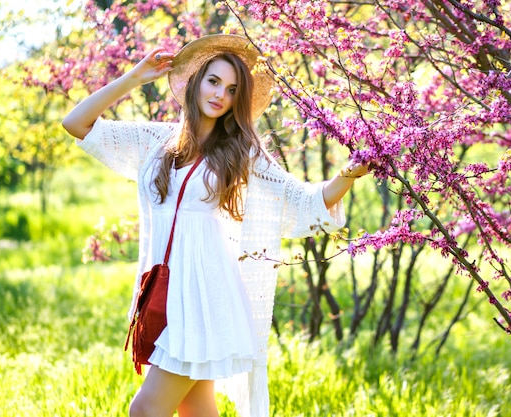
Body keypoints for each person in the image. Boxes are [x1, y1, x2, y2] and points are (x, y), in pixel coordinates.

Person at [62, 34, 368, 417]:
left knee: (143, 411)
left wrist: (349, 173)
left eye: (232, 89)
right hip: (164, 294)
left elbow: (305, 200)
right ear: (195, 82)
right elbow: (75, 122)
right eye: (214, 81)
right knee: (197, 411)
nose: (220, 94)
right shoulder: (155, 141)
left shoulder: (241, 153)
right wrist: (134, 78)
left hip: (204, 302)